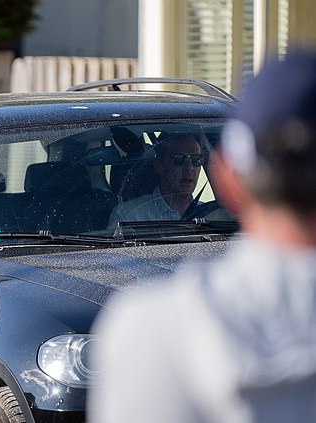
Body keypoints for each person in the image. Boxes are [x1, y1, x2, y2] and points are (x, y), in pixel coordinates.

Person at [89, 51, 316, 423]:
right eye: (179, 161)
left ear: (227, 180)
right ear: (159, 164)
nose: (189, 171)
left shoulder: (148, 330)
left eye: (196, 162)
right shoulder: (130, 216)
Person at [107, 132, 204, 227]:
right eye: (179, 159)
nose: (189, 168)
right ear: (158, 165)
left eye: (196, 159)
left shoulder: (211, 215)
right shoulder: (128, 217)